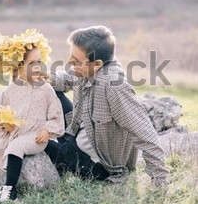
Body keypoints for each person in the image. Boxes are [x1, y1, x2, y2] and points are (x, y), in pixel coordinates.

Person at [44, 25, 170, 187]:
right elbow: (67, 79)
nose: (69, 62)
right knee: (49, 90)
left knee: (29, 139)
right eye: (71, 55)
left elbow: (145, 135)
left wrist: (159, 180)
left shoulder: (114, 87)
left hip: (93, 163)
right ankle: (60, 149)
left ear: (96, 64)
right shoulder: (89, 67)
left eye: (75, 60)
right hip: (76, 135)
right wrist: (46, 77)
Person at [0, 29, 65, 201]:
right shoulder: (10, 90)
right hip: (11, 133)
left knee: (16, 148)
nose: (37, 66)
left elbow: (56, 116)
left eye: (39, 62)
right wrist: (3, 124)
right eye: (31, 63)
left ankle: (9, 189)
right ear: (18, 67)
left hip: (34, 136)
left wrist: (48, 131)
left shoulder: (46, 89)